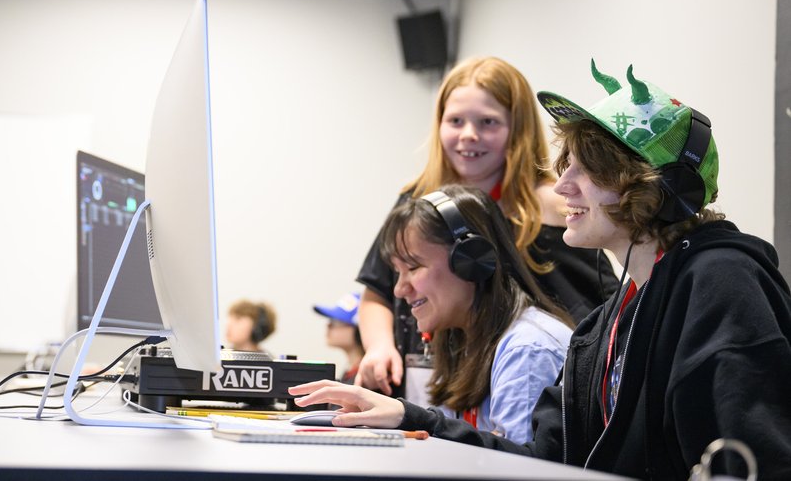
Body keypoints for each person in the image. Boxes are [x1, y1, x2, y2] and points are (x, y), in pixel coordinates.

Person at [290, 61, 791, 480]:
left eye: (586, 171)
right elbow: (544, 462)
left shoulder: (721, 282)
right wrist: (406, 418)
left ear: (659, 187)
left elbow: (756, 460)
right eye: (564, 165)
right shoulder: (604, 327)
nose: (563, 185)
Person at [356, 56, 619, 396]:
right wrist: (379, 347)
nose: (469, 135)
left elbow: (600, 304)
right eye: (455, 121)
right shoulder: (416, 200)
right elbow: (376, 293)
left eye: (488, 122)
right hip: (426, 387)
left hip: (512, 390)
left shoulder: (551, 207)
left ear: (518, 129)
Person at [373, 184, 573, 442]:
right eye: (397, 272)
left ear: (470, 261)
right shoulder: (462, 340)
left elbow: (519, 471)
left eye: (413, 267)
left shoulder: (527, 350)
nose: (400, 289)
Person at [313, 293, 365, 385]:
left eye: (336, 321)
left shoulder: (369, 378)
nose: (328, 326)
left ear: (359, 330)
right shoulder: (350, 372)